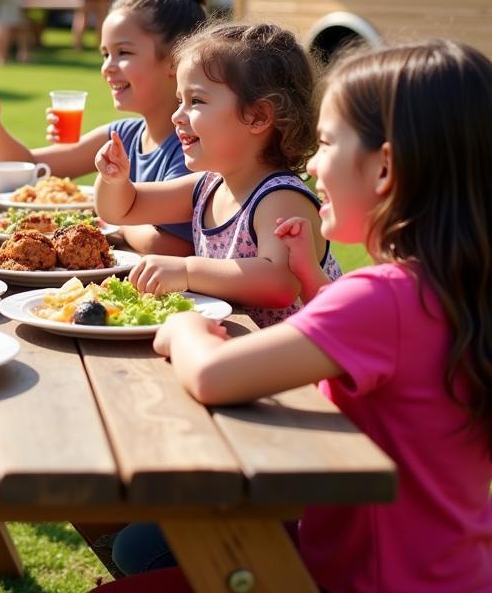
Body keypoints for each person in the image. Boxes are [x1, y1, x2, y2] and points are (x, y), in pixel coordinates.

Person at [103, 40, 492, 592]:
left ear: (384, 169)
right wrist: (315, 285)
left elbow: (214, 376)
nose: (310, 162)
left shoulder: (385, 299)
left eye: (328, 143)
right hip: (444, 572)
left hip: (357, 579)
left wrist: (187, 327)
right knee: (145, 547)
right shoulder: (450, 288)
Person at [0, 0, 222, 258]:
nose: (108, 67)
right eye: (104, 54)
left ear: (174, 60)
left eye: (123, 53)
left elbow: (168, 247)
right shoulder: (123, 136)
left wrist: (114, 215)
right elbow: (27, 170)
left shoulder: (188, 149)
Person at [94, 21, 341, 330]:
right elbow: (122, 209)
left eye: (195, 101)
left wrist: (186, 271)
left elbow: (279, 283)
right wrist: (114, 181)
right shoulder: (208, 186)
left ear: (257, 116)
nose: (176, 116)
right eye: (179, 100)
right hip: (243, 346)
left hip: (301, 365)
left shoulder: (281, 197)